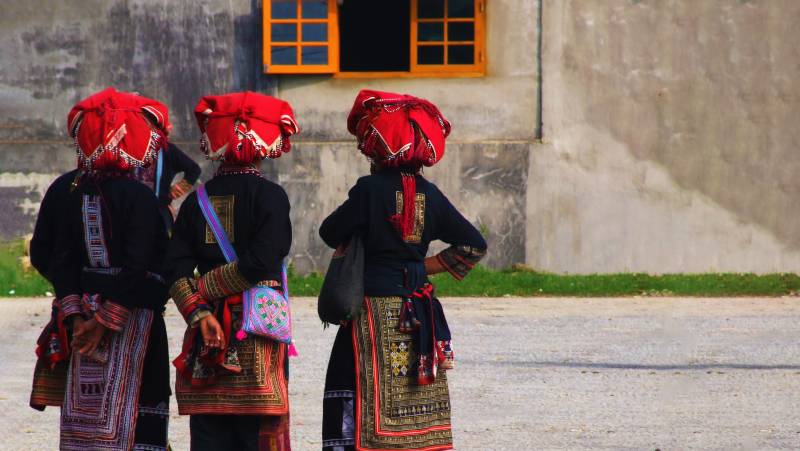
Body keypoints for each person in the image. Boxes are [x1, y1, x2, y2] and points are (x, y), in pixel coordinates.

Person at [319, 90, 488, 451]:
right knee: (415, 400)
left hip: (370, 310)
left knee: (354, 388)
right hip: (418, 310)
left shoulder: (368, 190)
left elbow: (329, 232)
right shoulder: (432, 194)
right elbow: (474, 245)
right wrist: (419, 265)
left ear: (378, 149)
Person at [30, 87, 172, 450]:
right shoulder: (142, 199)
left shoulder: (72, 190)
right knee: (140, 417)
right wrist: (105, 320)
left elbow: (55, 258)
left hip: (81, 311)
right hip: (133, 317)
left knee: (86, 421)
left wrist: (77, 315)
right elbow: (144, 266)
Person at [165, 91, 299, 451]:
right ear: (261, 147)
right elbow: (262, 262)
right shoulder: (271, 196)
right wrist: (209, 290)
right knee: (257, 431)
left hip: (208, 330)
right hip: (256, 328)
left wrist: (199, 310)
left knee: (209, 430)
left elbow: (174, 266)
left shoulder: (196, 201)